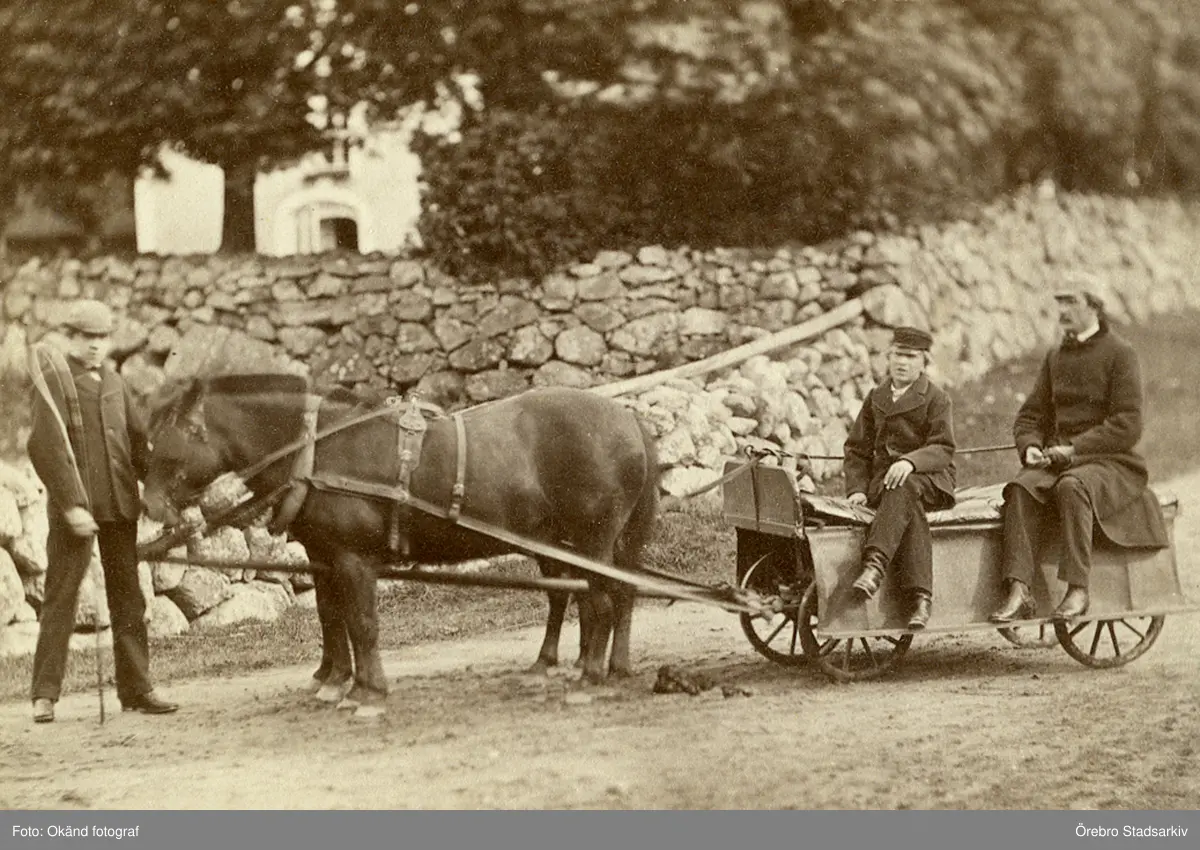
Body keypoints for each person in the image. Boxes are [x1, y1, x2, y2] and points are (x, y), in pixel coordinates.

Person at [26, 299, 178, 723]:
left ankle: (137, 688)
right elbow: (44, 446)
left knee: (129, 599)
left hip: (120, 507)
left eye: (101, 337)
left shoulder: (115, 382)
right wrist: (72, 505)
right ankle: (44, 695)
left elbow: (138, 443)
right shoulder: (56, 380)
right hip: (75, 511)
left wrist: (160, 493)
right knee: (61, 597)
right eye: (85, 337)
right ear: (70, 338)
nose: (94, 345)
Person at [989, 289, 1169, 624]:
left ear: (1095, 308)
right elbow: (1031, 416)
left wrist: (1075, 449)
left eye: (1071, 302)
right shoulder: (1056, 356)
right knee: (1020, 488)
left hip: (1111, 462)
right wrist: (1030, 446)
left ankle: (1078, 589)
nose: (1062, 310)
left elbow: (1127, 424)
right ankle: (1019, 588)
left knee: (1072, 486)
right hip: (1060, 460)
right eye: (1059, 302)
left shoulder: (1121, 353)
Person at [843, 326, 956, 630]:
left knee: (904, 485)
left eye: (910, 357)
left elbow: (943, 448)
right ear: (888, 357)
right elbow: (857, 449)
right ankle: (921, 599)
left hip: (931, 479)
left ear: (924, 362)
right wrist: (856, 489)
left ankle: (875, 565)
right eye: (897, 355)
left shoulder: (936, 398)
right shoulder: (876, 397)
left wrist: (910, 461)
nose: (902, 363)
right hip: (889, 483)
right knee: (906, 502)